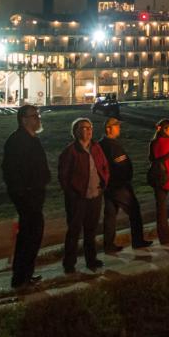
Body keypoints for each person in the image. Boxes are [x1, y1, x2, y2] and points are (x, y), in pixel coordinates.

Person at [1, 104, 50, 290]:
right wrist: (23, 191)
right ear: (24, 119)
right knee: (29, 236)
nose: (38, 118)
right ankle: (20, 277)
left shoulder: (32, 139)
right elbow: (10, 171)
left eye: (38, 115)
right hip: (27, 196)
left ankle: (25, 275)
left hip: (34, 195)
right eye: (34, 116)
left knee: (33, 236)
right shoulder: (16, 141)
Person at [57, 117, 110, 273]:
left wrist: (104, 182)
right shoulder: (70, 151)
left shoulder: (96, 148)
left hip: (95, 194)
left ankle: (91, 260)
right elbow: (63, 176)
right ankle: (69, 263)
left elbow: (104, 166)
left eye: (90, 127)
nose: (88, 130)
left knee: (91, 230)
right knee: (74, 230)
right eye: (84, 128)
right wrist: (72, 192)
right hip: (78, 198)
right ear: (76, 131)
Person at [98, 117, 152, 253]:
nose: (119, 128)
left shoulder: (101, 144)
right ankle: (138, 241)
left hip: (109, 186)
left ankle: (108, 245)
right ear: (108, 129)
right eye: (116, 126)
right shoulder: (111, 145)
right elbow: (120, 165)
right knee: (134, 211)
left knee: (110, 215)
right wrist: (125, 180)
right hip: (119, 186)